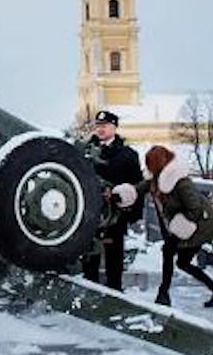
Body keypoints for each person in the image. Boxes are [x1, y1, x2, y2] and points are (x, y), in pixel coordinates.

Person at [112, 145, 213, 308]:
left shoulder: (181, 182)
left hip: (200, 225)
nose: (148, 168)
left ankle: (164, 293)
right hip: (186, 225)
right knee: (182, 262)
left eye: (150, 164)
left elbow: (195, 208)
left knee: (170, 252)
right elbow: (138, 189)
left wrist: (179, 228)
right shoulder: (156, 181)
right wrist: (122, 195)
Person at [81, 110, 143, 292]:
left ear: (114, 127)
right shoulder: (84, 151)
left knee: (114, 257)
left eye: (105, 125)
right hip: (89, 212)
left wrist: (132, 212)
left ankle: (115, 292)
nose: (101, 129)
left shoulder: (127, 154)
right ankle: (89, 292)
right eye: (98, 125)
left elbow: (136, 185)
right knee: (89, 256)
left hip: (115, 213)